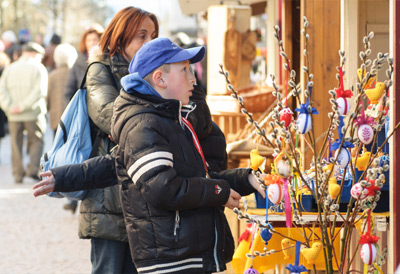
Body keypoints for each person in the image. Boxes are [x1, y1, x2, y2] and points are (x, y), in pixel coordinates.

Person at [34, 37, 265, 274]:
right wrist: (219, 192)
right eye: (184, 70)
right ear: (160, 79)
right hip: (171, 258)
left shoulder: (170, 119)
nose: (193, 79)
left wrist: (245, 179)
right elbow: (164, 189)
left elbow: (198, 177)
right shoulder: (144, 125)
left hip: (186, 253)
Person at [0, 42, 47, 183]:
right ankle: (33, 169)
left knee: (15, 144)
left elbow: (2, 91)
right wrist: (23, 106)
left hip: (13, 115)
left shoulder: (10, 68)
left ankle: (18, 174)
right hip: (33, 113)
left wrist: (10, 107)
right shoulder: (39, 68)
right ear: (34, 54)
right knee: (36, 141)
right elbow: (39, 92)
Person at [63, 25, 103, 102]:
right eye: (89, 40)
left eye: (95, 40)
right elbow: (69, 91)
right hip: (84, 107)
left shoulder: (107, 61)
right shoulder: (78, 62)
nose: (92, 43)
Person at [47, 43, 78, 136]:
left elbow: (47, 97)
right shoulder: (75, 74)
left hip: (56, 117)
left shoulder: (52, 75)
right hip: (73, 116)